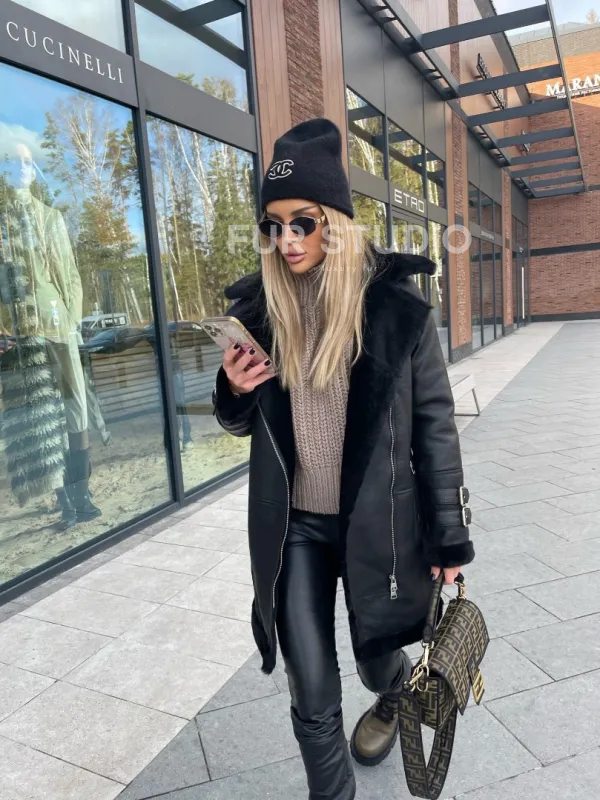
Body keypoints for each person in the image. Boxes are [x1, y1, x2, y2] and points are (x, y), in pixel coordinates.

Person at [212, 118, 474, 800]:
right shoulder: (260, 313)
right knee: (310, 683)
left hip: (375, 524)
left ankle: (393, 695)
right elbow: (239, 424)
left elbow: (435, 427)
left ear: (336, 221)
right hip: (294, 528)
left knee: (377, 659)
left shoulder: (395, 310)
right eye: (273, 226)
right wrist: (233, 390)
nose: (287, 240)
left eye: (303, 222)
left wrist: (448, 534)